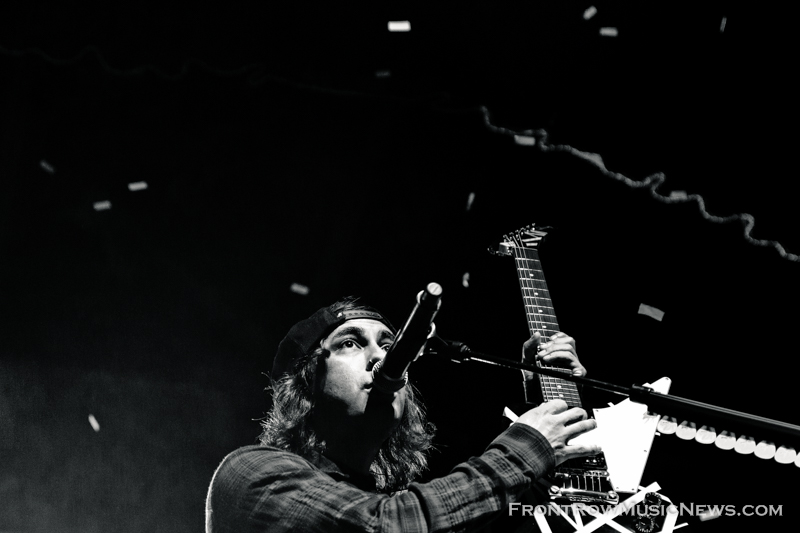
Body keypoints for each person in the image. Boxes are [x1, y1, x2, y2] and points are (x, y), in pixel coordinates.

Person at [205, 296, 597, 532]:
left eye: (390, 345)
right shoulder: (252, 475)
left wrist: (543, 400)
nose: (381, 358)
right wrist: (525, 448)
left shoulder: (381, 499)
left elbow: (505, 521)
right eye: (351, 343)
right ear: (304, 385)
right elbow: (386, 526)